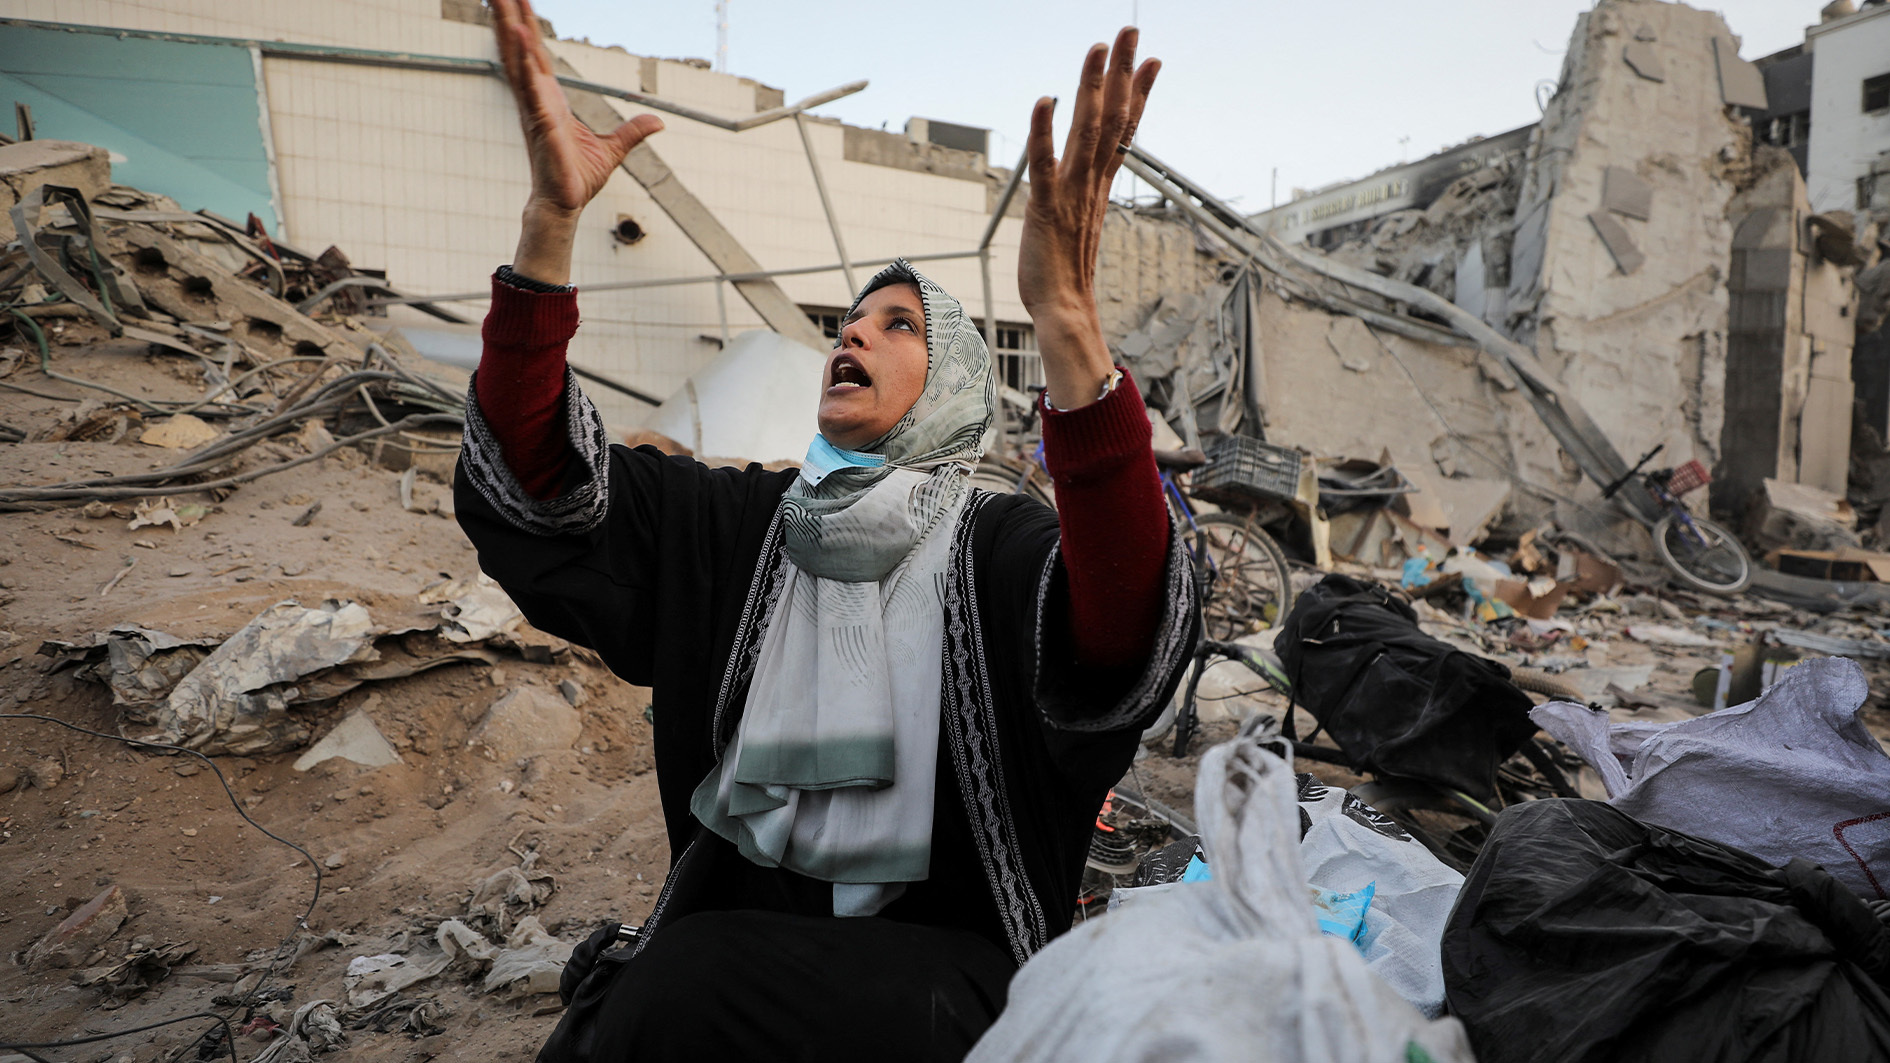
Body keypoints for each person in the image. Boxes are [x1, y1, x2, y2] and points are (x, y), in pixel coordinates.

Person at [456, 2, 1197, 1060]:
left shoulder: (994, 546)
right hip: (723, 965)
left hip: (952, 995)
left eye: (900, 324)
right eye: (851, 319)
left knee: (691, 988)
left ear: (953, 387)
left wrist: (1069, 324)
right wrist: (548, 229)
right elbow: (541, 486)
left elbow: (1123, 625)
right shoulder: (741, 526)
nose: (855, 330)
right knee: (638, 1006)